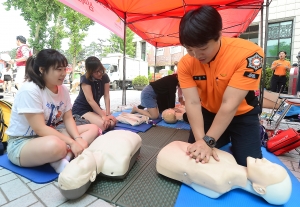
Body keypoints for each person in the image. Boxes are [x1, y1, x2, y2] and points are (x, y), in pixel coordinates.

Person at [177, 6, 264, 166]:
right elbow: (192, 103)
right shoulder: (185, 63)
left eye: (203, 49)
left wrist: (209, 141)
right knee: (195, 158)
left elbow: (229, 104)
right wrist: (201, 141)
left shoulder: (250, 54)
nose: (196, 56)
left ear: (219, 35)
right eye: (189, 50)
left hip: (242, 115)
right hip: (208, 113)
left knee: (249, 164)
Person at [5, 49, 99, 173]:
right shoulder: (30, 90)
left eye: (65, 69)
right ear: (42, 69)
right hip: (21, 142)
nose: (64, 73)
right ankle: (62, 154)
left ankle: (65, 158)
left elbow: (68, 118)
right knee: (56, 145)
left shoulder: (63, 89)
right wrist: (72, 142)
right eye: (58, 69)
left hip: (50, 134)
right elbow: (40, 129)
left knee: (93, 128)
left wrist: (77, 138)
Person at [156, 141, 292, 205]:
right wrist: (204, 141)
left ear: (259, 189)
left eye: (270, 168)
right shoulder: (229, 159)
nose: (265, 161)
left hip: (166, 156)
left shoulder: (218, 182)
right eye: (272, 163)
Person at [72, 56, 116, 131]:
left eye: (100, 70)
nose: (99, 73)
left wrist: (107, 114)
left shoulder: (104, 76)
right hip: (82, 109)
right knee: (104, 125)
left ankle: (90, 122)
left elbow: (106, 95)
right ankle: (80, 121)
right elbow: (90, 100)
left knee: (112, 121)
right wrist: (103, 116)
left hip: (95, 109)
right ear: (90, 72)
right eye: (96, 72)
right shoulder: (85, 78)